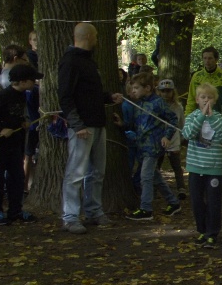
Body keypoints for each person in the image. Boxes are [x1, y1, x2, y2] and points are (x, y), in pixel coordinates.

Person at [59, 23, 123, 234]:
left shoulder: (89, 61)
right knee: (76, 173)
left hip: (97, 123)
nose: (97, 39)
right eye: (95, 35)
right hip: (82, 127)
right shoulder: (70, 61)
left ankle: (94, 211)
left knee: (97, 172)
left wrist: (108, 97)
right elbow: (65, 96)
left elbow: (90, 94)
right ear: (87, 36)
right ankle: (70, 217)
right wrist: (77, 124)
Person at [0, 64, 41, 227]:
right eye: (32, 80)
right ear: (22, 81)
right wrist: (0, 129)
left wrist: (21, 122)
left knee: (17, 177)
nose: (34, 82)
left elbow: (14, 114)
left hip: (15, 142)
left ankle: (16, 210)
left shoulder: (22, 95)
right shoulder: (2, 96)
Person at [121, 74, 181, 221]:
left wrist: (167, 136)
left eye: (136, 88)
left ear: (147, 88)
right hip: (141, 146)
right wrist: (122, 125)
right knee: (155, 176)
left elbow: (173, 119)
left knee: (145, 176)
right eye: (132, 88)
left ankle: (146, 209)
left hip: (153, 146)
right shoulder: (139, 103)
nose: (133, 91)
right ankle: (173, 203)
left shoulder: (158, 102)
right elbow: (138, 124)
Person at [179, 83, 222, 247]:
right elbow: (187, 134)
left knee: (213, 202)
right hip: (195, 168)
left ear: (214, 100)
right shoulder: (192, 117)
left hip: (213, 169)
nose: (206, 100)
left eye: (210, 97)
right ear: (197, 99)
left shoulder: (220, 118)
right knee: (197, 202)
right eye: (203, 97)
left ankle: (212, 233)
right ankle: (201, 230)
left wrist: (212, 118)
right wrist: (201, 117)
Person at [157, 79, 185, 193]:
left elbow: (181, 123)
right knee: (156, 165)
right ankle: (154, 188)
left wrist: (181, 138)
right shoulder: (156, 106)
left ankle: (181, 187)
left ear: (173, 92)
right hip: (159, 139)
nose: (165, 94)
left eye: (168, 91)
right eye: (163, 91)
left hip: (174, 140)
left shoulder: (178, 107)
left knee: (176, 165)